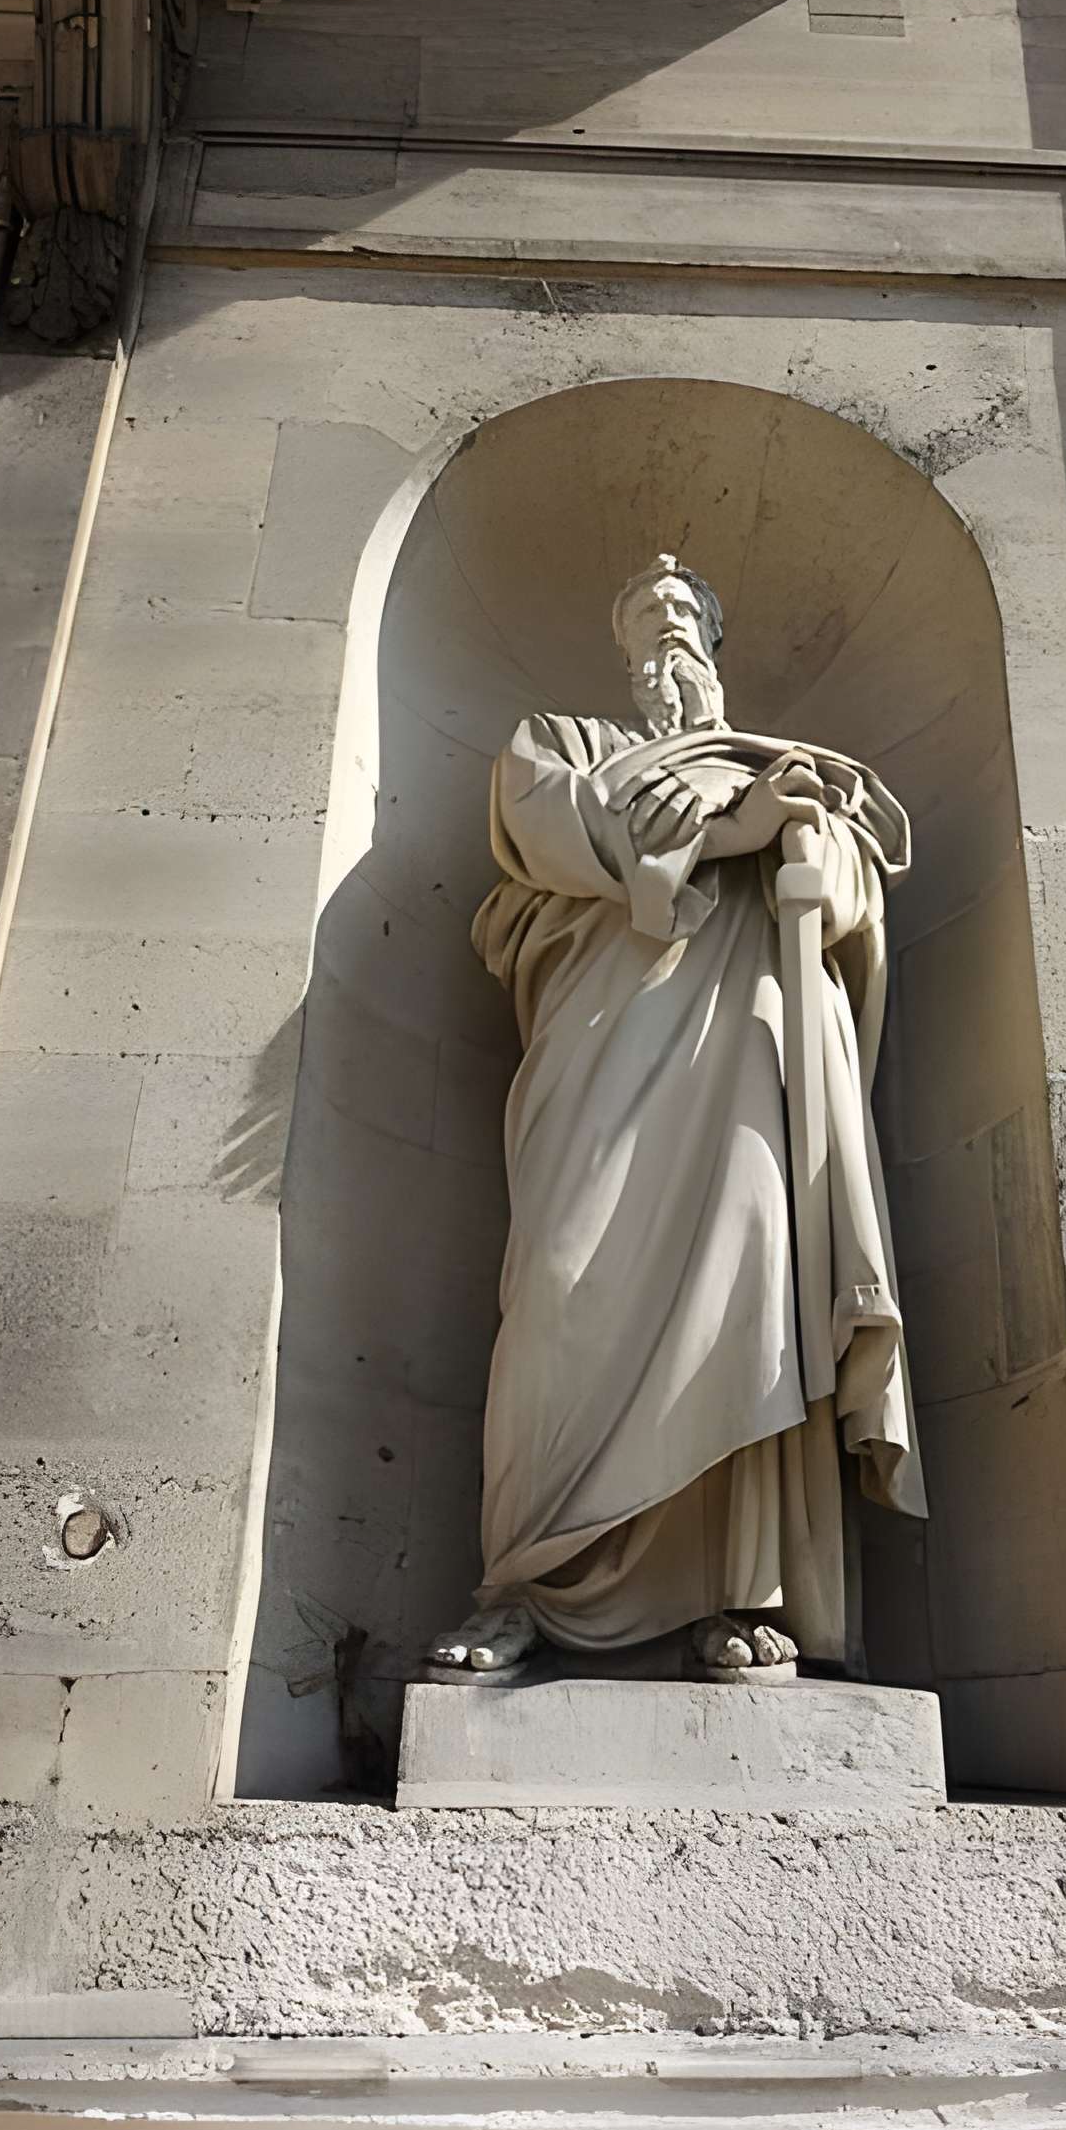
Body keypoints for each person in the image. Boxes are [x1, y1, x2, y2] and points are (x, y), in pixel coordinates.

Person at [427, 555, 924, 1684]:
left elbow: (852, 894)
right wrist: (731, 828)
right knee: (560, 1285)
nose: (667, 627)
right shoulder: (561, 741)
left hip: (746, 1053)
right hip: (603, 1038)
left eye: (683, 612)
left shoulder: (777, 764)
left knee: (751, 1291)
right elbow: (553, 826)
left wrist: (804, 834)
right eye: (646, 613)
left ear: (713, 635)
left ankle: (740, 1594)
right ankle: (527, 1582)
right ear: (622, 643)